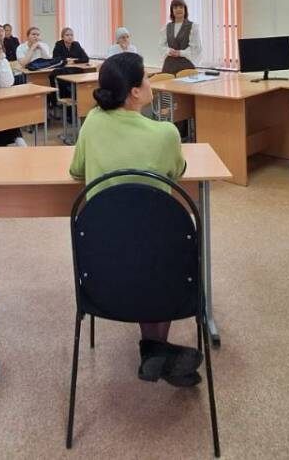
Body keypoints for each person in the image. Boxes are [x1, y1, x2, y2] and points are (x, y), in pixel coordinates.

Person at [68, 52, 200, 387]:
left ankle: (153, 349)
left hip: (102, 257)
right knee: (159, 248)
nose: (151, 82)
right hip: (156, 258)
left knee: (137, 246)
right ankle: (155, 347)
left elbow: (76, 170)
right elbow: (178, 171)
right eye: (146, 78)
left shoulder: (92, 121)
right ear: (135, 92)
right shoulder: (166, 134)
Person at [159, 0, 202, 75]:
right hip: (169, 66)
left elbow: (196, 48)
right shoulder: (166, 27)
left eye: (181, 7)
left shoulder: (193, 27)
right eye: (175, 8)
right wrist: (169, 51)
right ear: (172, 11)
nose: (178, 9)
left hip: (186, 66)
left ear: (185, 10)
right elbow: (161, 46)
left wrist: (180, 53)